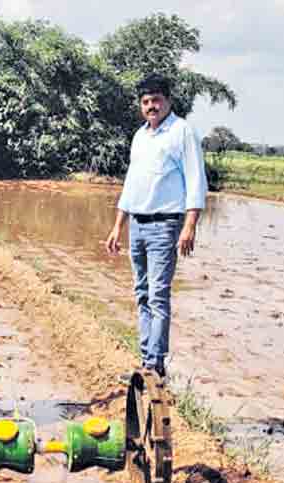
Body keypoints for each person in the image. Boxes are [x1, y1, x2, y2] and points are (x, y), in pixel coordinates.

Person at [105, 74, 207, 378]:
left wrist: (190, 226)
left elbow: (196, 181)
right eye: (146, 102)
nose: (151, 106)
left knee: (158, 294)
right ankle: (146, 359)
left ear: (168, 101)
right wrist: (117, 226)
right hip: (137, 222)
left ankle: (155, 364)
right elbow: (131, 185)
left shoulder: (182, 132)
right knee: (141, 293)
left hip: (165, 225)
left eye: (156, 100)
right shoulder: (140, 136)